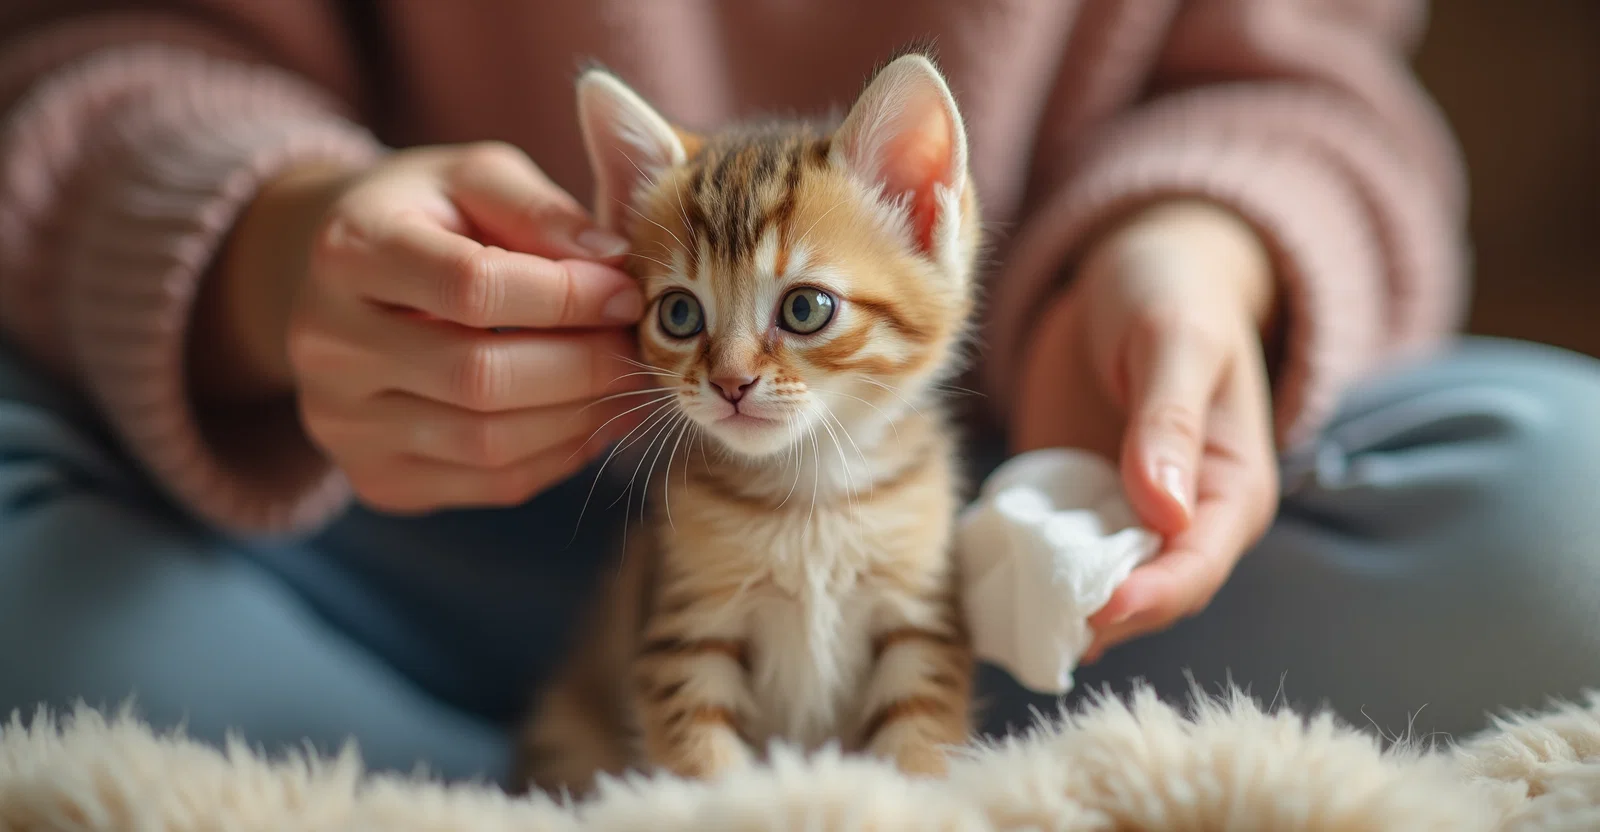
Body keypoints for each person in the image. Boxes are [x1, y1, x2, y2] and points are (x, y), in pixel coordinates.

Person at [0, 0, 1596, 785]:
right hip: (339, 521)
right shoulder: (698, 383)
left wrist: (1204, 249)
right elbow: (100, 53)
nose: (743, 365)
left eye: (798, 316)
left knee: (1564, 508)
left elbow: (1303, 76)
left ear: (925, 215)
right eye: (699, 314)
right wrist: (271, 256)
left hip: (1045, 519)